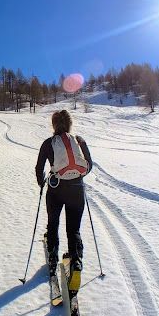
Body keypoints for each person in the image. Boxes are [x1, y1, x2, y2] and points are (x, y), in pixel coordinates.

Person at [35, 109, 92, 290]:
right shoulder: (79, 141)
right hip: (76, 189)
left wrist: (41, 183)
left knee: (53, 224)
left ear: (54, 124)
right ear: (69, 124)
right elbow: (89, 165)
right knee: (73, 229)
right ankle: (76, 263)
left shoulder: (48, 143)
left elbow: (38, 168)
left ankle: (53, 257)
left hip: (55, 190)